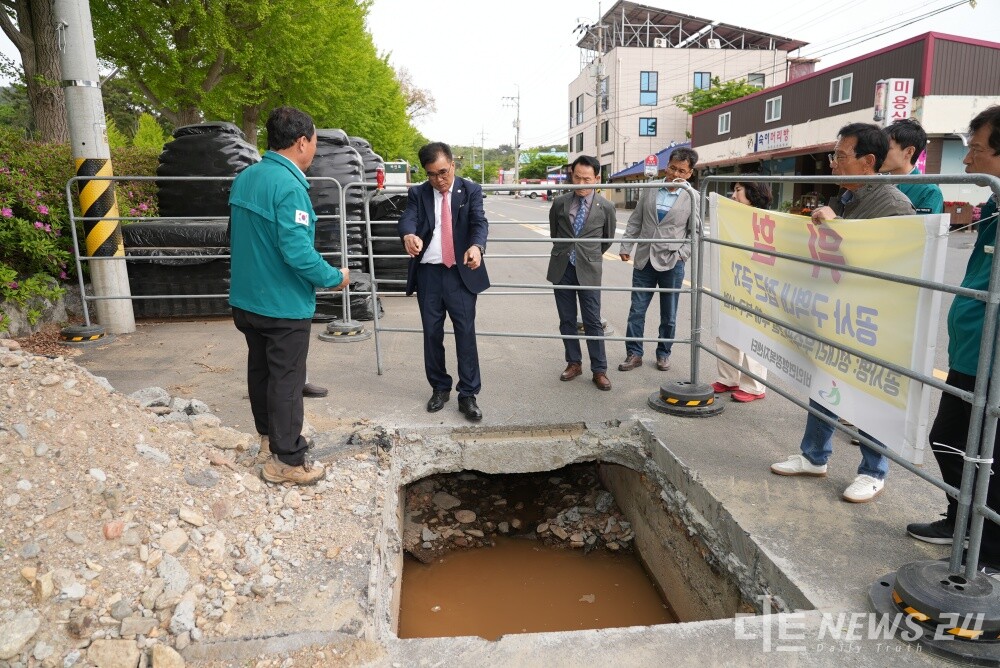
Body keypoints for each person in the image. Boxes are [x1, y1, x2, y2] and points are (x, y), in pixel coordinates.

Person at [770, 122, 914, 503]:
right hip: (837, 313)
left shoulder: (894, 206)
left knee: (868, 393)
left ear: (868, 162)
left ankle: (873, 470)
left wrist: (841, 230)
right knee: (825, 381)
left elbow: (891, 266)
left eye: (840, 156)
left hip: (872, 321)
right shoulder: (847, 199)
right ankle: (814, 456)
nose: (833, 163)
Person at [228, 106, 349, 486]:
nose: (313, 149)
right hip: (282, 305)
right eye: (313, 142)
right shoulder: (290, 187)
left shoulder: (246, 177)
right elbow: (297, 253)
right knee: (287, 380)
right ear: (301, 142)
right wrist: (334, 277)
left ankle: (268, 441)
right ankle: (288, 461)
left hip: (247, 300)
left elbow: (235, 237)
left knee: (261, 372)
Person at [906, 106, 1000, 570]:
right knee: (948, 438)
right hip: (969, 349)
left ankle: (990, 551)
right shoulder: (994, 204)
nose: (967, 162)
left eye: (977, 150)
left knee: (989, 454)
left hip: (995, 359)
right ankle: (960, 517)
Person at [398, 142, 489, 421]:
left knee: (465, 333)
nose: (439, 179)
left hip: (460, 273)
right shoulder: (418, 193)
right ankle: (439, 387)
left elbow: (479, 222)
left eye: (443, 172)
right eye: (431, 174)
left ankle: (468, 394)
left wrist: (477, 246)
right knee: (432, 333)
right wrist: (408, 235)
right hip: (429, 274)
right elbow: (407, 219)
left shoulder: (469, 190)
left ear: (452, 164)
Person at [618, 147, 699, 373]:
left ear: (690, 173)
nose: (676, 174)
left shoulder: (692, 197)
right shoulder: (650, 188)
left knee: (669, 314)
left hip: (672, 263)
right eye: (673, 168)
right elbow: (635, 221)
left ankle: (664, 354)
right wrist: (626, 246)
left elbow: (695, 232)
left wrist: (682, 254)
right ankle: (634, 353)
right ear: (666, 166)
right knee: (637, 310)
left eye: (682, 171)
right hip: (644, 260)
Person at [546, 155, 618, 390]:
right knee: (566, 319)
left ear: (597, 178)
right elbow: (554, 233)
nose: (581, 184)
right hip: (562, 267)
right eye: (576, 177)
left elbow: (606, 240)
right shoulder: (560, 202)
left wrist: (589, 254)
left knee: (592, 320)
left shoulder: (605, 206)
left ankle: (599, 370)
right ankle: (573, 362)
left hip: (589, 268)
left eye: (586, 179)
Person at [713, 177, 773, 402]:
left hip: (756, 284)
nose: (733, 195)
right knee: (727, 329)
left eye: (738, 190)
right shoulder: (732, 217)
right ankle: (728, 378)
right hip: (732, 280)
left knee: (754, 333)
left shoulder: (767, 220)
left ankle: (754, 386)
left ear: (754, 192)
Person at [882, 118, 945, 214]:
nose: (879, 153)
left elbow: (923, 228)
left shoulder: (929, 192)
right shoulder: (876, 183)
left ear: (909, 152)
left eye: (886, 148)